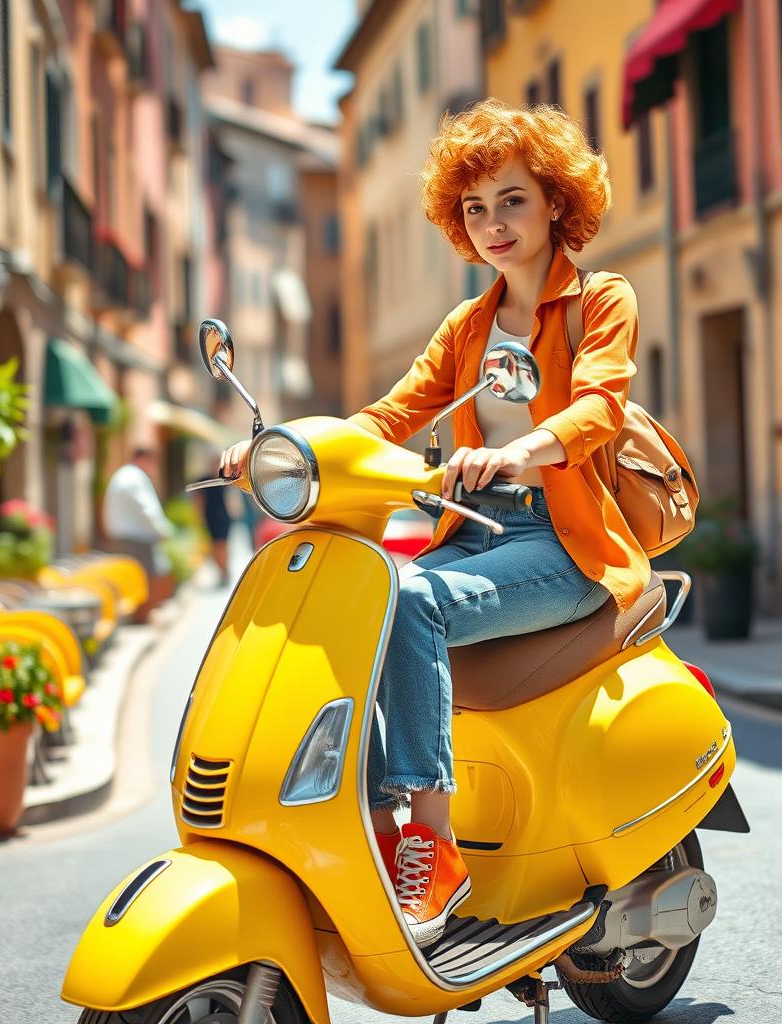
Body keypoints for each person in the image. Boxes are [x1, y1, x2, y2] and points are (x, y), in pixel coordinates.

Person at [219, 100, 649, 945]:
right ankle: (372, 821)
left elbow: (602, 401)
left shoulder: (602, 299)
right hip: (475, 533)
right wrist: (276, 451)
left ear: (556, 200)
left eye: (513, 200)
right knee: (364, 605)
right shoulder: (468, 326)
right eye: (476, 208)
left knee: (410, 600)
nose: (493, 224)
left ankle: (434, 842)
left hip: (564, 545)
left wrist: (524, 450)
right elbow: (387, 416)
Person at [103, 446, 174, 620]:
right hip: (137, 538)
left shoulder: (121, 475)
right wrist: (163, 530)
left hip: (120, 535)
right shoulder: (135, 477)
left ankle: (137, 616)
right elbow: (147, 509)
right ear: (144, 459)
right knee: (151, 577)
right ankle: (143, 617)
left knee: (129, 579)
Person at [193, 457, 233, 586]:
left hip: (223, 517)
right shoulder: (204, 480)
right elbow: (199, 500)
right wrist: (199, 517)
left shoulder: (223, 479)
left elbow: (231, 498)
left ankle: (224, 571)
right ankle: (223, 571)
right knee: (215, 547)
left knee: (222, 545)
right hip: (211, 517)